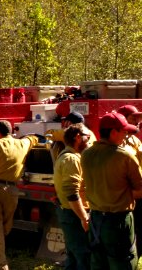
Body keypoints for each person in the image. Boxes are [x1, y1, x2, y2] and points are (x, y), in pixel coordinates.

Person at [0, 120, 39, 270]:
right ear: (11, 132)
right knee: (2, 228)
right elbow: (34, 138)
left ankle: (2, 265)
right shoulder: (23, 143)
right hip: (13, 192)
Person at [81, 112, 142, 270]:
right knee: (123, 262)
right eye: (124, 131)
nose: (126, 135)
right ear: (114, 132)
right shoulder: (125, 156)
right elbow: (140, 190)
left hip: (95, 218)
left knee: (98, 262)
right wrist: (122, 193)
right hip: (118, 222)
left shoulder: (86, 154)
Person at [53, 123, 91, 269]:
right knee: (83, 256)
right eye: (87, 138)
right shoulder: (72, 159)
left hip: (71, 213)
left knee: (74, 258)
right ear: (77, 137)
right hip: (74, 215)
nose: (89, 141)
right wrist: (84, 218)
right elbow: (72, 193)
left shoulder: (68, 156)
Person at [117, 105, 142, 257]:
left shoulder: (134, 139)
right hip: (127, 195)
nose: (138, 121)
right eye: (134, 118)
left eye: (139, 118)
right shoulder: (117, 143)